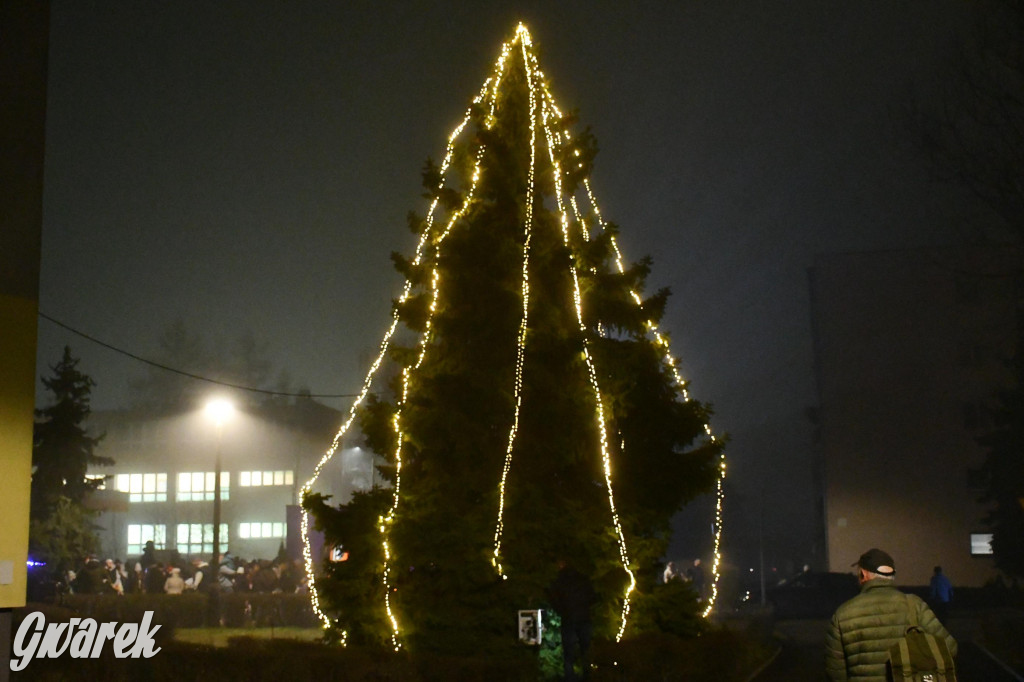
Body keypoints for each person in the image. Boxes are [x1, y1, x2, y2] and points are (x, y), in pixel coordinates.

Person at [825, 548, 957, 681]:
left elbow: (836, 674)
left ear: (863, 575)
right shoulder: (914, 605)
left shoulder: (843, 614)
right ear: (892, 575)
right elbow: (950, 648)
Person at [547, 559, 597, 682]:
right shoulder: (583, 579)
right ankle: (587, 675)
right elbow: (593, 597)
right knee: (585, 649)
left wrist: (562, 610)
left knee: (568, 652)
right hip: (584, 617)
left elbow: (553, 599)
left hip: (569, 618)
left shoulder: (559, 581)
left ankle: (569, 677)